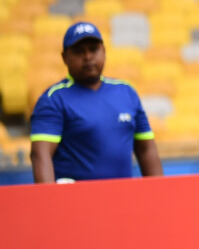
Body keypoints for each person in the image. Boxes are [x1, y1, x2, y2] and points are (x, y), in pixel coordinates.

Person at [29, 21, 163, 183]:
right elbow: (40, 155)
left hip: (123, 200)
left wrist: (160, 195)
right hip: (76, 204)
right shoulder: (53, 99)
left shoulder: (126, 92)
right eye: (79, 51)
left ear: (104, 52)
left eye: (93, 49)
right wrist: (49, 203)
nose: (88, 57)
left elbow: (146, 148)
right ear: (65, 58)